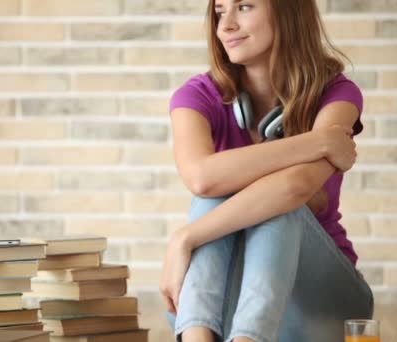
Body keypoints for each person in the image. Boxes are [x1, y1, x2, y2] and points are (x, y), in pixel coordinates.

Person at [158, 0, 374, 341]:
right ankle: (197, 336)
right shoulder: (196, 96)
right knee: (212, 193)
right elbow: (201, 176)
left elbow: (297, 187)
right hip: (223, 308)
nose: (225, 25)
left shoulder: (337, 94)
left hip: (323, 305)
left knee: (279, 205)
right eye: (219, 13)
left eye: (244, 7)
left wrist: (188, 235)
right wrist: (319, 142)